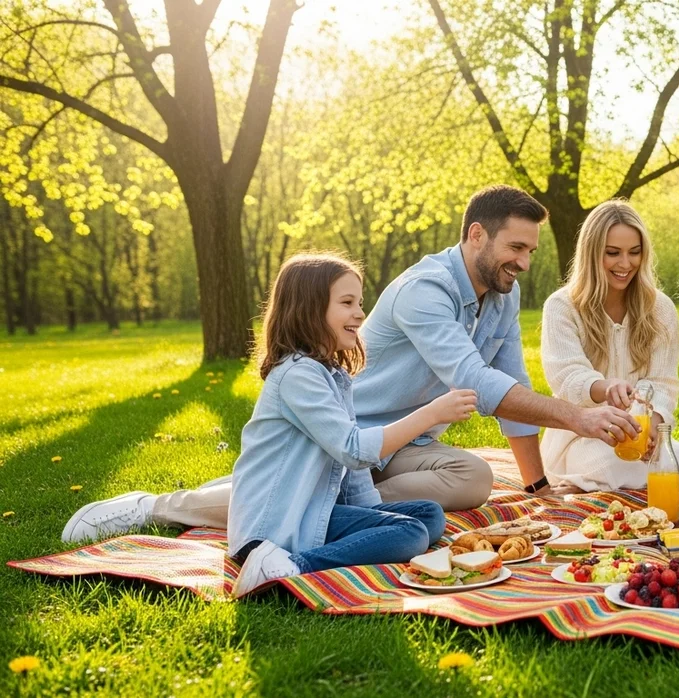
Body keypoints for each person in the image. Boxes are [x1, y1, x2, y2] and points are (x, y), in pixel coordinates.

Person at [62, 185, 639, 544]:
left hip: (407, 443)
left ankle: (325, 509)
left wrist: (535, 484)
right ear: (476, 235)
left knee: (477, 478)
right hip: (344, 434)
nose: (525, 261)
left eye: (532, 251)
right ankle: (158, 507)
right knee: (315, 491)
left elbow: (511, 385)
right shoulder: (425, 291)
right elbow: (475, 382)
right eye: (517, 248)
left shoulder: (504, 295)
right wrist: (579, 418)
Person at [224, 253, 473, 597]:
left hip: (314, 513)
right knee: (412, 533)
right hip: (275, 527)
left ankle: (315, 554)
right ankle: (287, 568)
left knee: (428, 514)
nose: (360, 313)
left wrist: (373, 518)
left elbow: (352, 475)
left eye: (360, 302)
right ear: (309, 309)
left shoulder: (331, 374)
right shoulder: (297, 375)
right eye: (347, 302)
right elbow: (354, 450)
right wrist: (431, 414)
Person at [540, 201, 679, 491]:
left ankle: (597, 483)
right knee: (610, 463)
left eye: (634, 252)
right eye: (612, 253)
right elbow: (567, 375)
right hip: (581, 438)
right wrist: (605, 387)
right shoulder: (562, 306)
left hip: (640, 433)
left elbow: (663, 383)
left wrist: (652, 426)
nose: (625, 264)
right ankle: (597, 477)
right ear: (592, 254)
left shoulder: (660, 309)